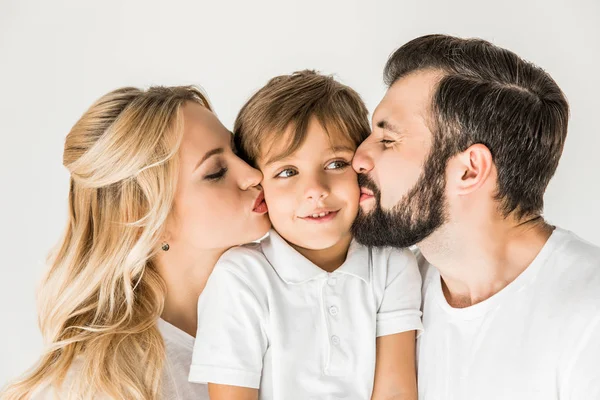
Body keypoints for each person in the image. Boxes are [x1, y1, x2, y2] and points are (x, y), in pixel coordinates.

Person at [351, 34, 600, 399]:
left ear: (469, 171)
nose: (358, 158)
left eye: (388, 141)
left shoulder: (590, 312)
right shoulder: (393, 293)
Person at [1, 85, 271, 400]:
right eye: (216, 172)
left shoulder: (268, 319)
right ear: (148, 220)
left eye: (237, 151)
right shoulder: (101, 387)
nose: (253, 174)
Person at [188, 70, 423, 400]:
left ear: (360, 164)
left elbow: (396, 389)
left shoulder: (392, 265)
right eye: (287, 172)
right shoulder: (240, 278)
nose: (315, 191)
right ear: (260, 185)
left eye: (335, 164)